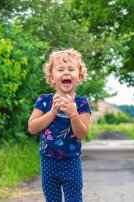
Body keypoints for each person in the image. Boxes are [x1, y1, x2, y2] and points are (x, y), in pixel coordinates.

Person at [28, 48, 91, 202]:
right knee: (52, 200)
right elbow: (32, 127)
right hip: (48, 161)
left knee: (74, 199)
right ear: (52, 77)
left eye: (71, 69)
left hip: (71, 162)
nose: (66, 73)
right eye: (60, 69)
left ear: (79, 75)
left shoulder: (82, 103)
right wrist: (52, 112)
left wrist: (73, 113)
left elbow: (82, 134)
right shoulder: (44, 101)